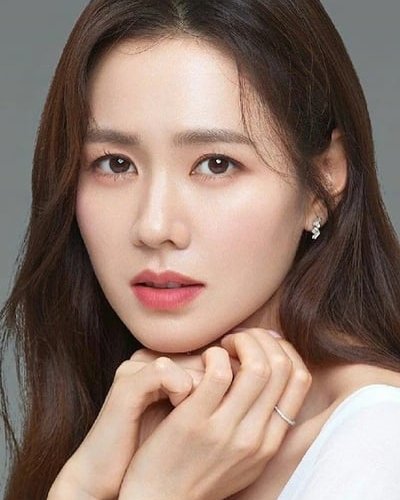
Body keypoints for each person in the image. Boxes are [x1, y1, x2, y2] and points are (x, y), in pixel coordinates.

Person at [1, 0, 400, 499]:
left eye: (215, 164)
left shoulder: (380, 447)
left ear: (323, 178)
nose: (154, 226)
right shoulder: (115, 427)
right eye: (116, 164)